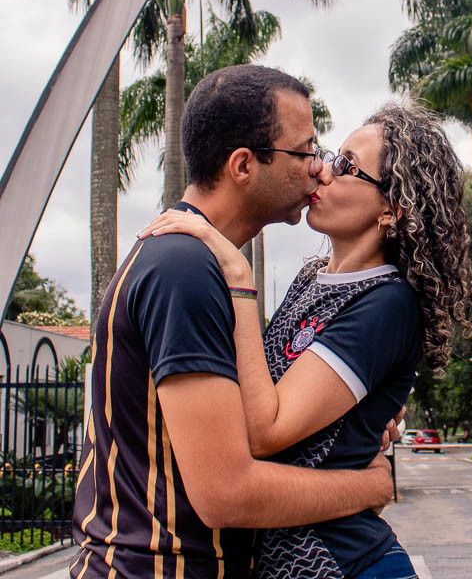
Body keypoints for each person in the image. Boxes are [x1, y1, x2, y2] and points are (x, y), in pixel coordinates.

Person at [71, 66, 395, 579]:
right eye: (305, 150)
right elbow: (227, 492)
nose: (319, 168)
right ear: (243, 165)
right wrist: (372, 486)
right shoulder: (185, 269)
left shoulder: (194, 262)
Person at [138, 101, 472, 579]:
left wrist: (237, 277)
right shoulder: (311, 278)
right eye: (333, 156)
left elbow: (264, 431)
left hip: (345, 562)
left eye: (347, 167)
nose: (323, 173)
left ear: (391, 210)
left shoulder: (387, 303)